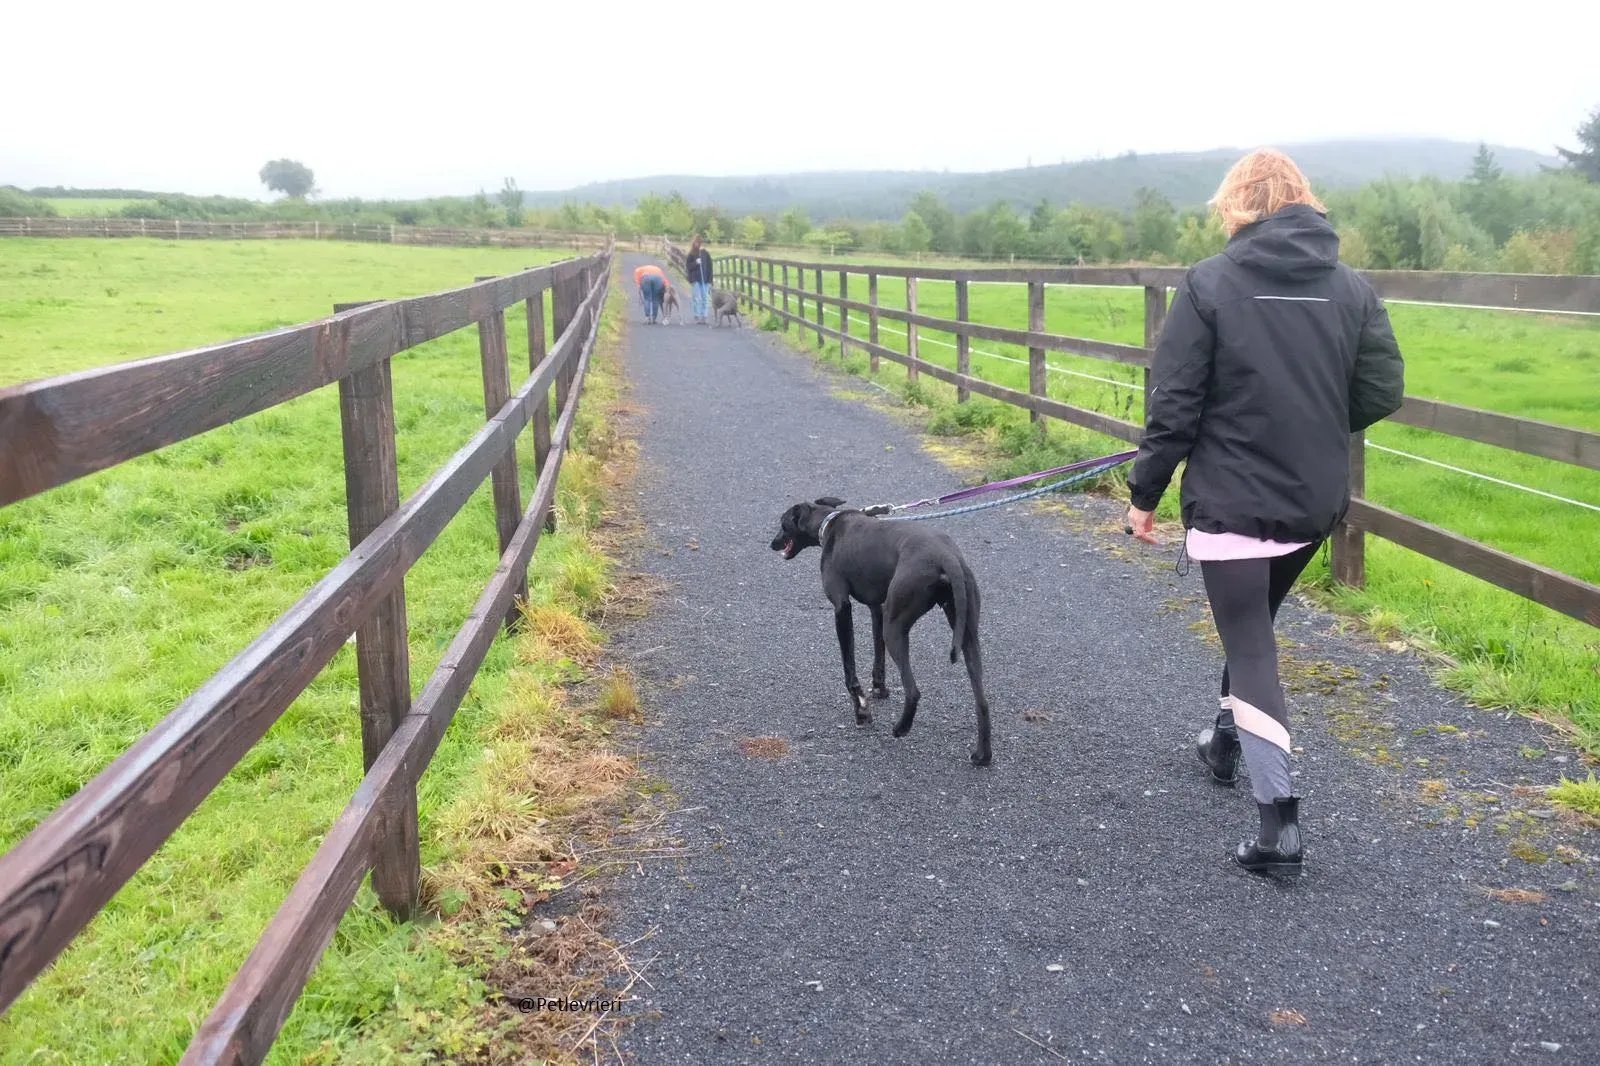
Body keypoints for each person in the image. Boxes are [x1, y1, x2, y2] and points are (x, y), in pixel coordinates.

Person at [1123, 148, 1405, 877]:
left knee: (1250, 641)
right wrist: (1307, 418)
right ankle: (1225, 742)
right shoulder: (1352, 287)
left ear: (1239, 205)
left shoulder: (1211, 283)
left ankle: (1279, 827)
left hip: (1233, 495)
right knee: (1253, 618)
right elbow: (1381, 391)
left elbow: (1176, 401)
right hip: (1313, 499)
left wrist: (1144, 494)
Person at [684, 235, 714, 324]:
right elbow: (688, 267)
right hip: (695, 279)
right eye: (696, 243)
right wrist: (695, 263)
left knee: (705, 298)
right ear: (694, 243)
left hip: (705, 280)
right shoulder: (691, 254)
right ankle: (697, 315)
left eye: (699, 243)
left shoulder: (705, 254)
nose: (697, 244)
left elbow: (710, 267)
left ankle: (704, 316)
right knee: (696, 298)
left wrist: (710, 281)